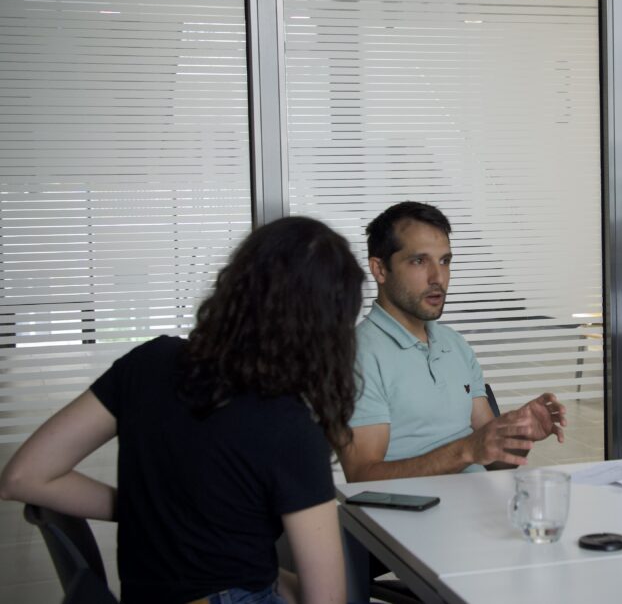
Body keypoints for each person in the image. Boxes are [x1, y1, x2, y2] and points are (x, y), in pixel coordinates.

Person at [0, 216, 364, 604]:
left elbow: (22, 477)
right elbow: (327, 599)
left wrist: (151, 510)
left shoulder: (147, 363)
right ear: (327, 328)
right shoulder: (290, 429)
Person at [340, 201, 567, 482]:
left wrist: (516, 433)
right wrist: (466, 451)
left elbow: (492, 459)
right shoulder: (356, 355)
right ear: (380, 269)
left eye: (444, 261)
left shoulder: (454, 344)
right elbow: (362, 476)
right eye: (419, 261)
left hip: (473, 509)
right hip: (403, 519)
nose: (438, 278)